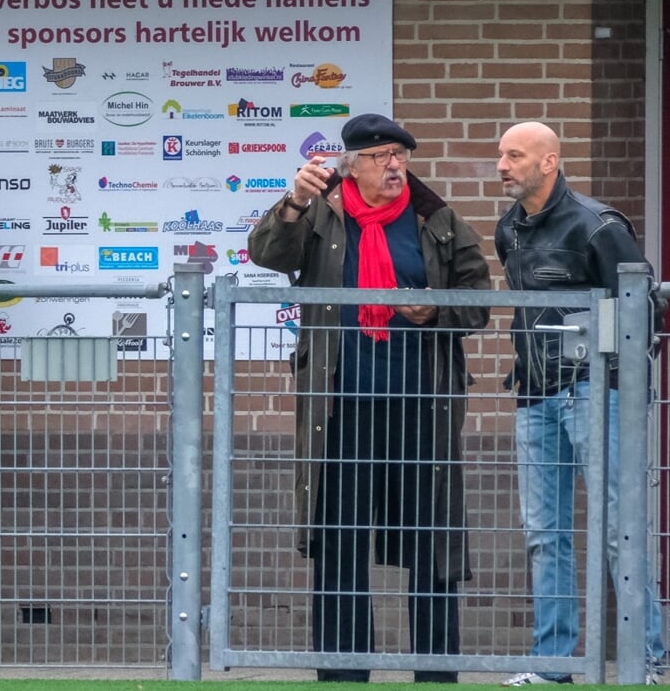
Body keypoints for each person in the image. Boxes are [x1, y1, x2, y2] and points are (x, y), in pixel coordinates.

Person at [248, 113, 493, 683]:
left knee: (429, 547)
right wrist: (289, 203)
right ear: (350, 165)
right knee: (341, 546)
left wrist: (435, 309)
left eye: (400, 155)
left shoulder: (436, 218)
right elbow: (267, 255)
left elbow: (476, 301)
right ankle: (343, 671)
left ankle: (435, 671)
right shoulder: (321, 213)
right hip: (341, 409)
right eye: (381, 156)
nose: (394, 166)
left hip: (420, 407)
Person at [494, 121, 669, 686]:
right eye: (501, 155)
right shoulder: (509, 229)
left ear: (549, 162)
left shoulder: (598, 226)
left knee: (622, 526)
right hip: (535, 393)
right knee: (544, 533)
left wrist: (613, 372)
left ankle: (650, 656)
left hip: (600, 391)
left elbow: (644, 311)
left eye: (515, 156)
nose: (502, 165)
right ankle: (554, 663)